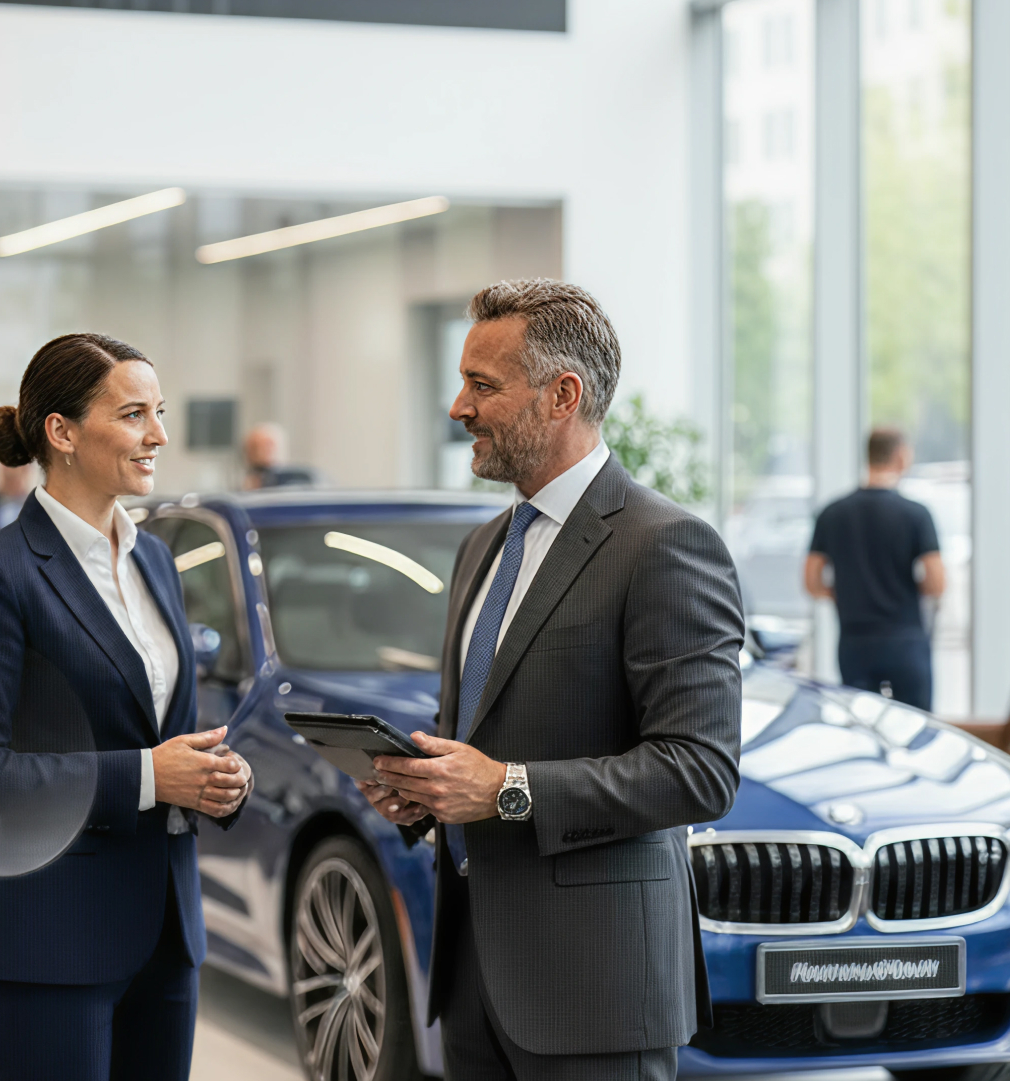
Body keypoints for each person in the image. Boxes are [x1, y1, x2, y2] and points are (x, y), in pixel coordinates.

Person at [357, 279, 743, 1080]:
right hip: (472, 983)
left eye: (483, 385)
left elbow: (701, 770)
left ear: (563, 394)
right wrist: (423, 793)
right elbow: (474, 746)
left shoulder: (664, 544)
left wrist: (505, 788)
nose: (458, 406)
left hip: (596, 988)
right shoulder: (483, 547)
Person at [0, 332, 253, 1081]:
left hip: (169, 935)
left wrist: (215, 777)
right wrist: (148, 775)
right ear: (62, 432)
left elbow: (166, 731)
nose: (160, 436)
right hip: (52, 938)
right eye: (135, 414)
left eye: (160, 412)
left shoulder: (155, 561)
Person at [803, 428, 945, 709]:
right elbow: (937, 582)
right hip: (905, 638)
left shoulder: (833, 513)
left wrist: (842, 593)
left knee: (861, 729)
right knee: (915, 728)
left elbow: (811, 581)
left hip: (854, 640)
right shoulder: (916, 514)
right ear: (901, 457)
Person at [240, 422, 317, 489]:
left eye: (269, 444)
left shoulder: (302, 478)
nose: (263, 450)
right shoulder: (247, 483)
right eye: (255, 447)